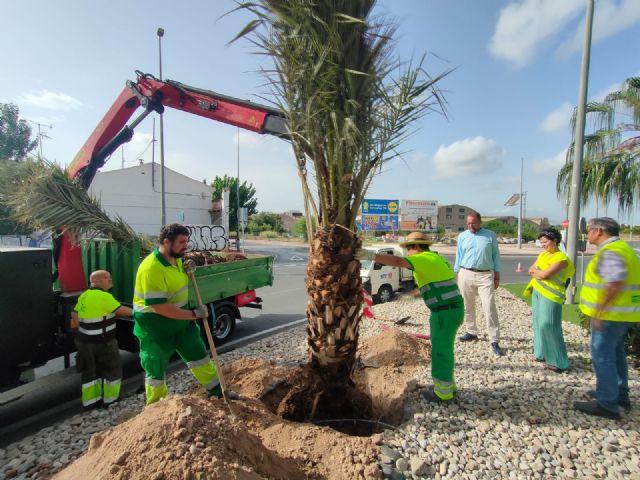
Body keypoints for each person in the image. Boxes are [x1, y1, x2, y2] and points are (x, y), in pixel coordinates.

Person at [356, 232, 464, 402]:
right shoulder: (435, 258)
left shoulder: (423, 258)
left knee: (440, 352)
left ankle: (443, 394)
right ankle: (447, 385)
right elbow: (433, 284)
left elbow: (398, 262)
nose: (407, 253)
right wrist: (412, 294)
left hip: (445, 311)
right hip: (450, 309)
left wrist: (370, 255)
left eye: (408, 249)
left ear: (416, 247)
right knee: (444, 348)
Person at [133, 223, 222, 405]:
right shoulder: (151, 269)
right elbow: (160, 307)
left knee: (199, 356)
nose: (186, 245)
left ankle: (218, 391)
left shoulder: (176, 258)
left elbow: (179, 272)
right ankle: (156, 407)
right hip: (156, 325)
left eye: (187, 241)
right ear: (166, 242)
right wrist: (194, 314)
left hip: (181, 322)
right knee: (155, 369)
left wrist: (189, 265)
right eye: (182, 242)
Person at [574, 217, 640, 420]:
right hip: (623, 313)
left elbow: (614, 283)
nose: (587, 233)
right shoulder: (624, 248)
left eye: (590, 230)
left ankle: (607, 403)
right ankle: (619, 394)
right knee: (616, 353)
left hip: (611, 314)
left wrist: (600, 312)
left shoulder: (611, 252)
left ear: (599, 231)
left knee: (603, 356)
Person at [72, 270, 132, 409]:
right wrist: (139, 312)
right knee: (111, 369)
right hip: (104, 343)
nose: (111, 282)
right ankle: (111, 400)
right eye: (109, 279)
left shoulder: (84, 296)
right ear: (103, 280)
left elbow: (74, 316)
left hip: (85, 343)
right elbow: (123, 311)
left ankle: (90, 403)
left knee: (90, 372)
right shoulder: (104, 297)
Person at [525, 228, 574, 373]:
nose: (543, 245)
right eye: (541, 242)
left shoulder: (561, 258)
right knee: (538, 322)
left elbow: (544, 275)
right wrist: (537, 273)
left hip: (552, 295)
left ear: (555, 241)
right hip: (538, 291)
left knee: (550, 325)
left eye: (545, 242)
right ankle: (541, 353)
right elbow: (531, 270)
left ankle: (559, 361)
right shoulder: (543, 255)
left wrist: (538, 273)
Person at [454, 211, 503, 355]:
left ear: (480, 222)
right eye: (468, 223)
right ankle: (471, 331)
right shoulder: (462, 236)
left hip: (485, 276)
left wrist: (497, 277)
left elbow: (496, 256)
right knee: (467, 305)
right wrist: (458, 274)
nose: (471, 226)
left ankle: (494, 340)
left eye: (473, 223)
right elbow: (459, 255)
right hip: (466, 273)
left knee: (489, 307)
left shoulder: (490, 235)